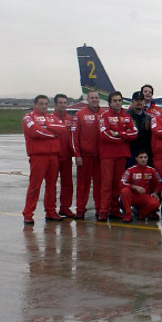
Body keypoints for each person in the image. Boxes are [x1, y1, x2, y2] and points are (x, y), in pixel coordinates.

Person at [22, 95, 67, 224]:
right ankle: (28, 213)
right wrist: (52, 134)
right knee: (35, 186)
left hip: (53, 156)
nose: (44, 106)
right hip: (38, 156)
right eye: (41, 104)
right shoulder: (28, 117)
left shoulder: (51, 117)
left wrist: (47, 126)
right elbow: (35, 132)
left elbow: (63, 130)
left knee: (52, 185)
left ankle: (51, 211)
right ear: (35, 104)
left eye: (46, 104)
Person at [98, 91, 138, 221]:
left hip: (122, 154)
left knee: (117, 184)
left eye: (119, 100)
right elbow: (105, 134)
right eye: (115, 100)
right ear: (110, 103)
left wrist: (118, 134)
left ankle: (115, 210)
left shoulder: (127, 117)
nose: (118, 103)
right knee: (106, 184)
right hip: (107, 155)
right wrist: (124, 136)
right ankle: (103, 211)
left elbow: (134, 134)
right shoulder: (104, 116)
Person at [72, 91, 103, 219]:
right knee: (82, 185)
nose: (94, 100)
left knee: (99, 184)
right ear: (87, 100)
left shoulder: (104, 114)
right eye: (92, 98)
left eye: (96, 98)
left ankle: (100, 208)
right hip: (84, 156)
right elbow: (74, 136)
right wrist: (77, 154)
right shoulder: (80, 114)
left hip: (101, 157)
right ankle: (80, 209)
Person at [119, 150, 162, 222]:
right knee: (124, 191)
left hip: (145, 196)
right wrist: (135, 187)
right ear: (136, 158)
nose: (143, 159)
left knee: (156, 203)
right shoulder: (130, 170)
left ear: (148, 158)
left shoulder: (152, 170)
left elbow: (159, 183)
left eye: (145, 157)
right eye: (141, 157)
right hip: (133, 196)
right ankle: (128, 214)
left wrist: (155, 193)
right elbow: (122, 183)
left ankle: (142, 213)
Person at [52, 94, 75, 218]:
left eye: (65, 102)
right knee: (52, 184)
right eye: (60, 102)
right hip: (54, 157)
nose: (63, 105)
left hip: (67, 157)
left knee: (67, 183)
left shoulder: (71, 119)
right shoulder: (49, 118)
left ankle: (65, 207)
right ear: (55, 104)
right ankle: (51, 209)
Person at [127, 91, 152, 168]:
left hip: (144, 151)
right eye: (137, 100)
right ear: (132, 102)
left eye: (141, 100)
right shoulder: (126, 116)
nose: (139, 102)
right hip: (130, 151)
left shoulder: (148, 117)